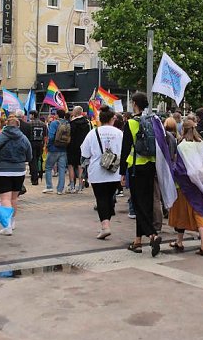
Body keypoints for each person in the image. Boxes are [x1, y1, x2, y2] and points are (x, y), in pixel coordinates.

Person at [168, 119, 203, 256]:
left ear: (183, 130)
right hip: (199, 182)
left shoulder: (182, 146)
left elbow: (179, 167)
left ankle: (179, 241)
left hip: (183, 184)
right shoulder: (200, 143)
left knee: (180, 213)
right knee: (199, 211)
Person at [119, 92, 161, 256]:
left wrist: (122, 172)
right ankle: (137, 241)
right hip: (150, 165)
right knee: (146, 203)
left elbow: (125, 150)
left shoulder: (130, 123)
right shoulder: (151, 121)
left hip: (136, 167)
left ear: (134, 104)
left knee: (138, 204)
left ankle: (152, 234)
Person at [80, 105, 123, 240]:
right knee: (109, 197)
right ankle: (106, 223)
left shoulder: (93, 133)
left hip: (97, 171)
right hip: (115, 171)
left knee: (101, 198)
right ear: (112, 119)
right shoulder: (119, 133)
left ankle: (105, 226)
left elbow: (85, 153)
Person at [0, 113, 32, 235]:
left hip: (2, 170)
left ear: (6, 125)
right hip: (19, 170)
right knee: (14, 198)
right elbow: (29, 155)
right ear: (18, 125)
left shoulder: (0, 137)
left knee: (5, 198)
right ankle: (13, 222)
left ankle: (7, 226)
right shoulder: (24, 138)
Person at [44, 109, 69, 194]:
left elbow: (51, 136)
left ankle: (49, 186)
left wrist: (49, 146)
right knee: (62, 169)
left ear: (57, 115)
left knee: (48, 167)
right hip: (64, 148)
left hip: (54, 149)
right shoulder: (67, 123)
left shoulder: (54, 123)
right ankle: (60, 189)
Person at [67, 106, 91, 193]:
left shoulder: (72, 123)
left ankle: (72, 186)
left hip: (72, 146)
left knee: (71, 166)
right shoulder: (87, 123)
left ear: (75, 112)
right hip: (83, 147)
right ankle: (80, 186)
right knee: (81, 166)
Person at [27, 110, 47, 185]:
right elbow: (45, 135)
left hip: (32, 143)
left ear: (32, 115)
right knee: (39, 159)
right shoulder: (43, 124)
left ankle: (34, 178)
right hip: (40, 143)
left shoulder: (29, 124)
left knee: (33, 161)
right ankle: (40, 173)